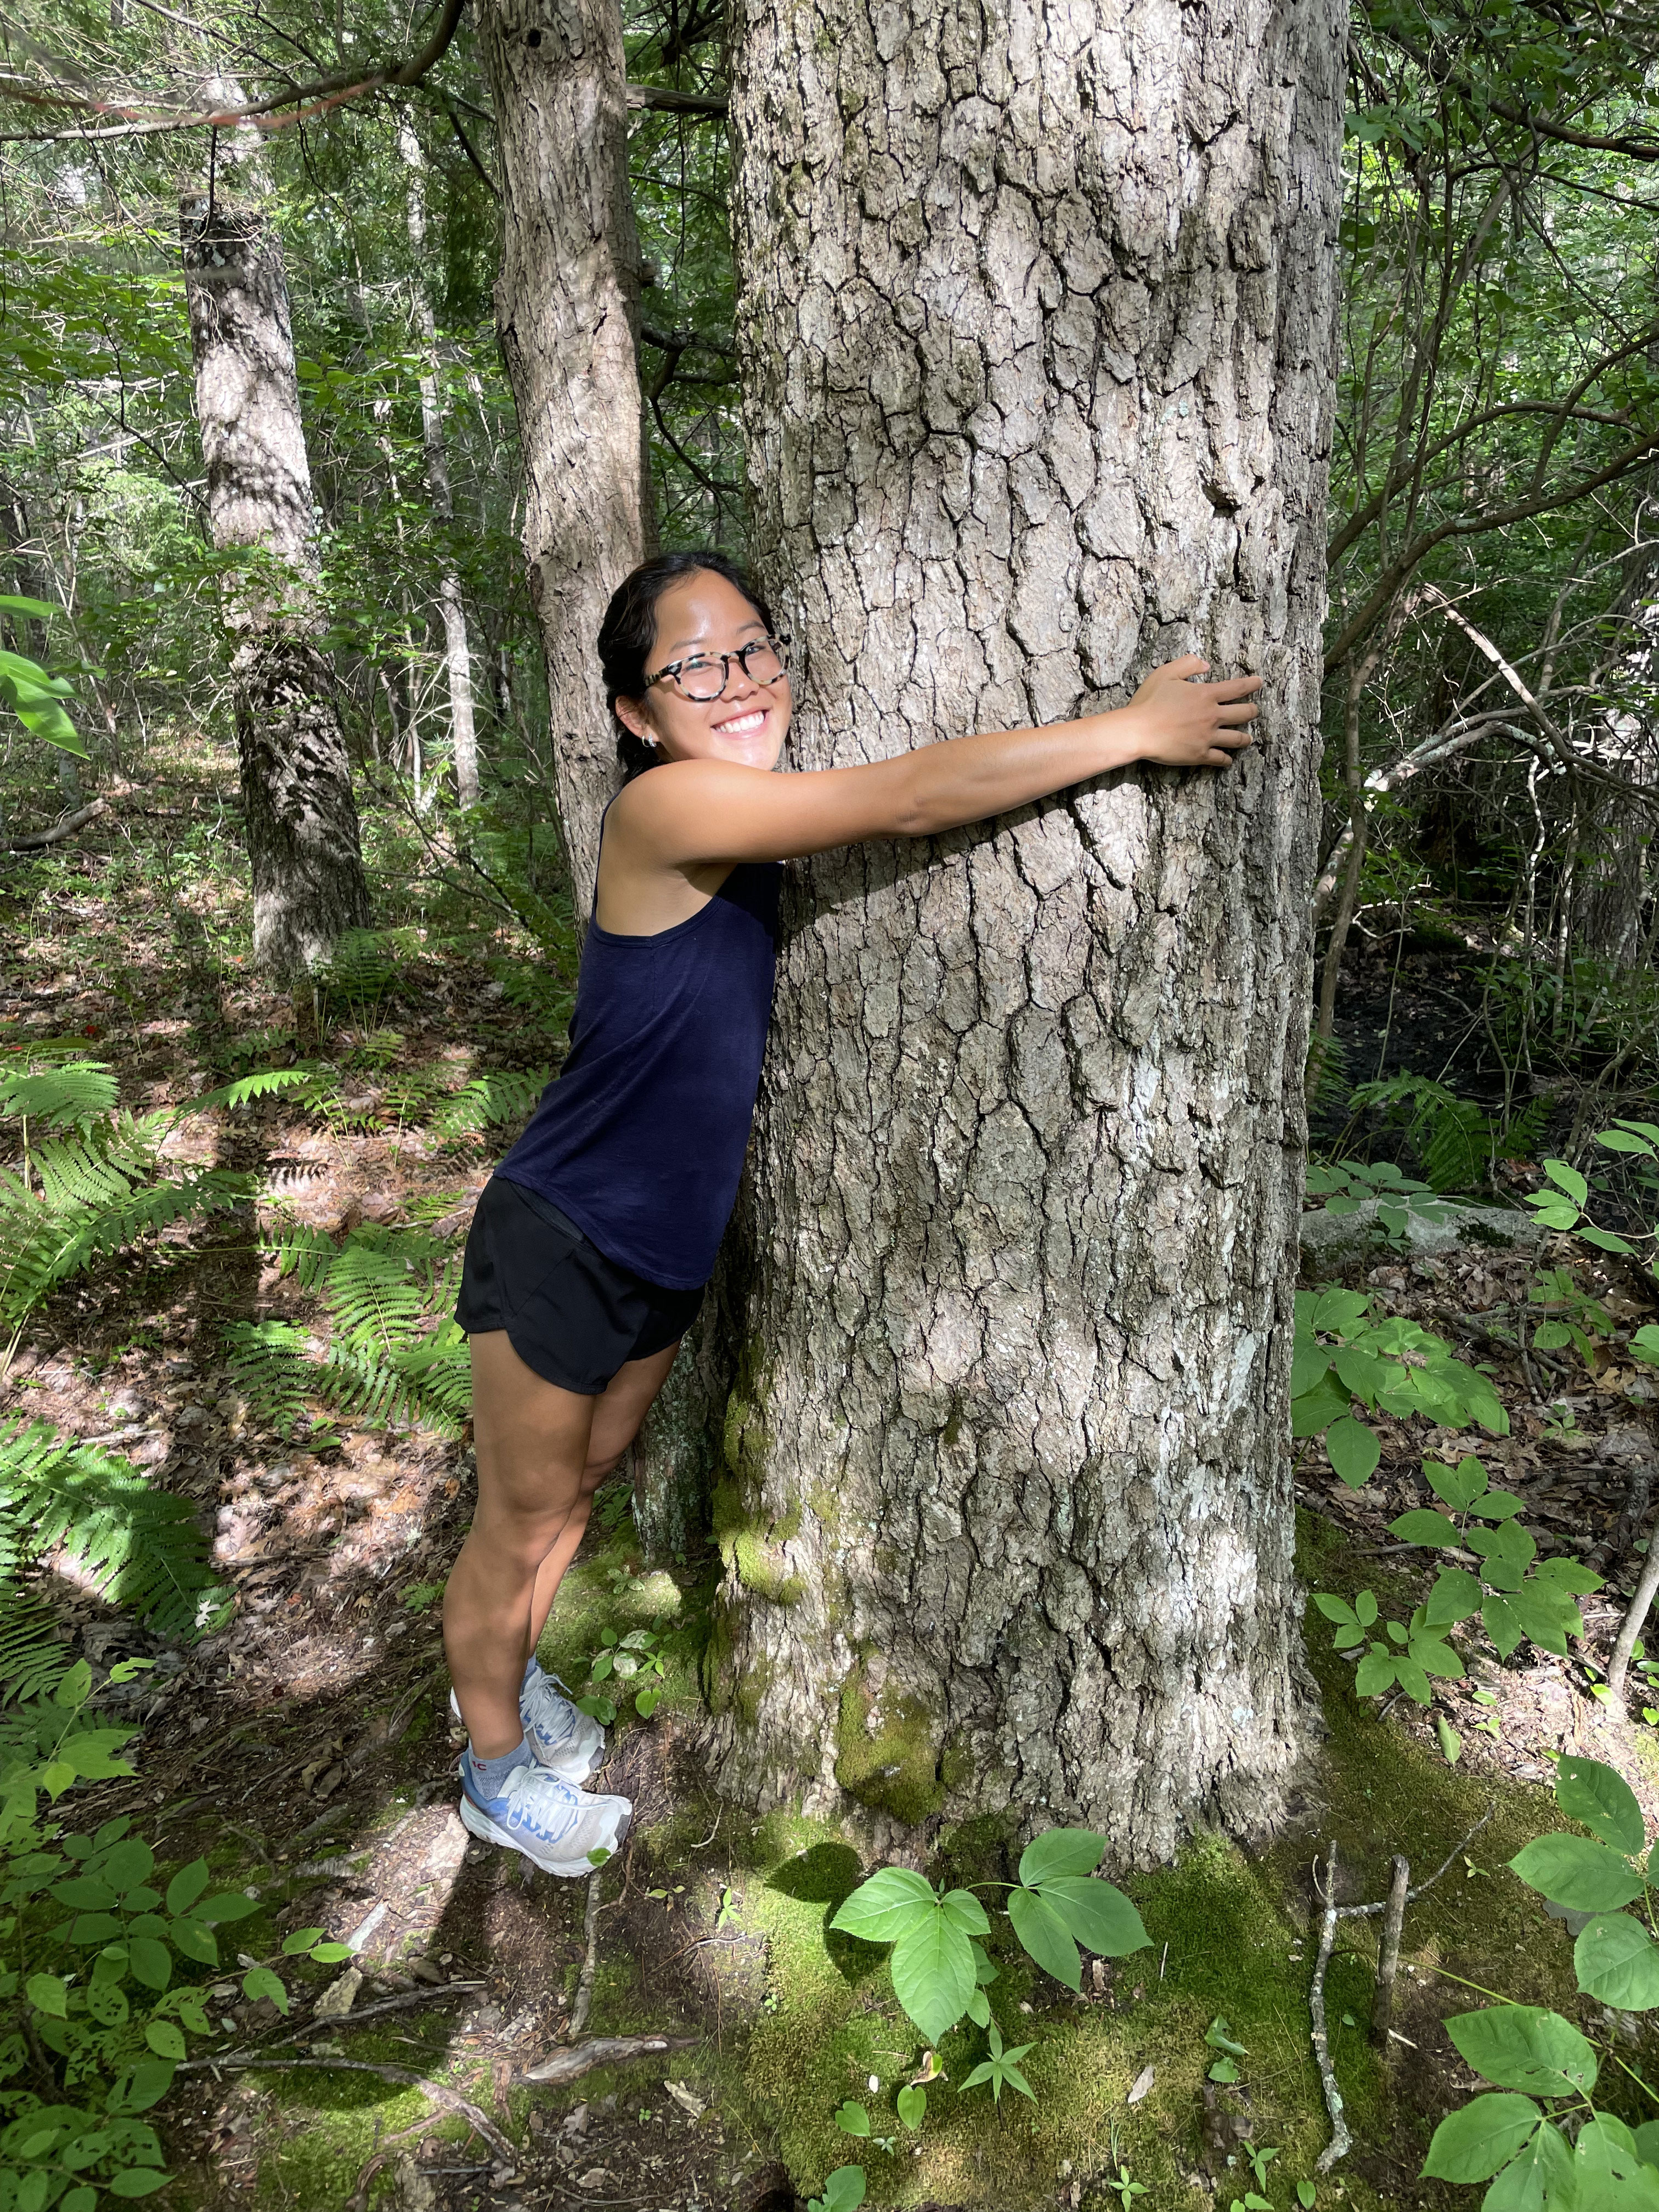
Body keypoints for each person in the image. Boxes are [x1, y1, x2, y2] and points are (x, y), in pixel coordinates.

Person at [443, 549, 1261, 1873]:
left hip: (661, 1250)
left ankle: (514, 1679)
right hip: (564, 1232)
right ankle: (491, 1767)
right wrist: (1131, 730)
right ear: (638, 717)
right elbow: (910, 798)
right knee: (521, 1519)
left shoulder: (750, 804)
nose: (740, 682)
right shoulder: (667, 809)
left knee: (586, 1482)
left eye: (756, 649)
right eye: (694, 667)